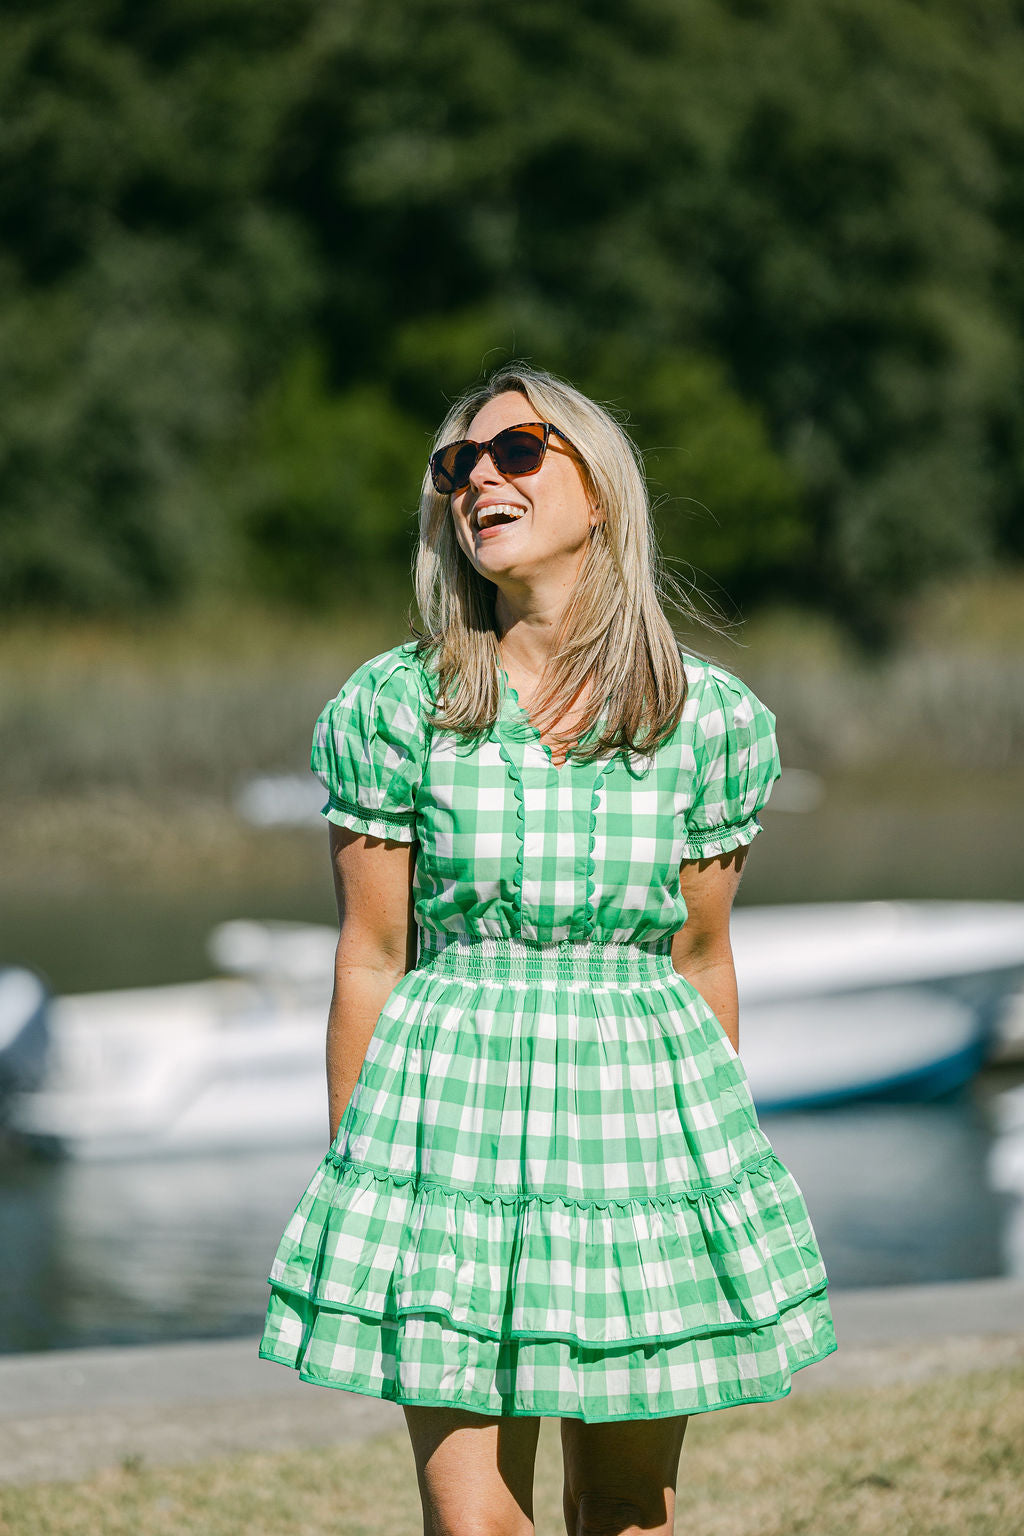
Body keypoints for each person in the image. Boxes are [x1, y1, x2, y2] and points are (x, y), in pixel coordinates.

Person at [259, 364, 837, 1536]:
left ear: (600, 492)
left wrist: (707, 1162)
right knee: (471, 1521)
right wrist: (359, 1173)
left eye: (515, 452)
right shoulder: (398, 706)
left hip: (639, 1132)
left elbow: (700, 958)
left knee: (626, 1507)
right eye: (455, 466)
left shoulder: (704, 719)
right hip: (445, 1125)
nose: (477, 478)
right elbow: (369, 955)